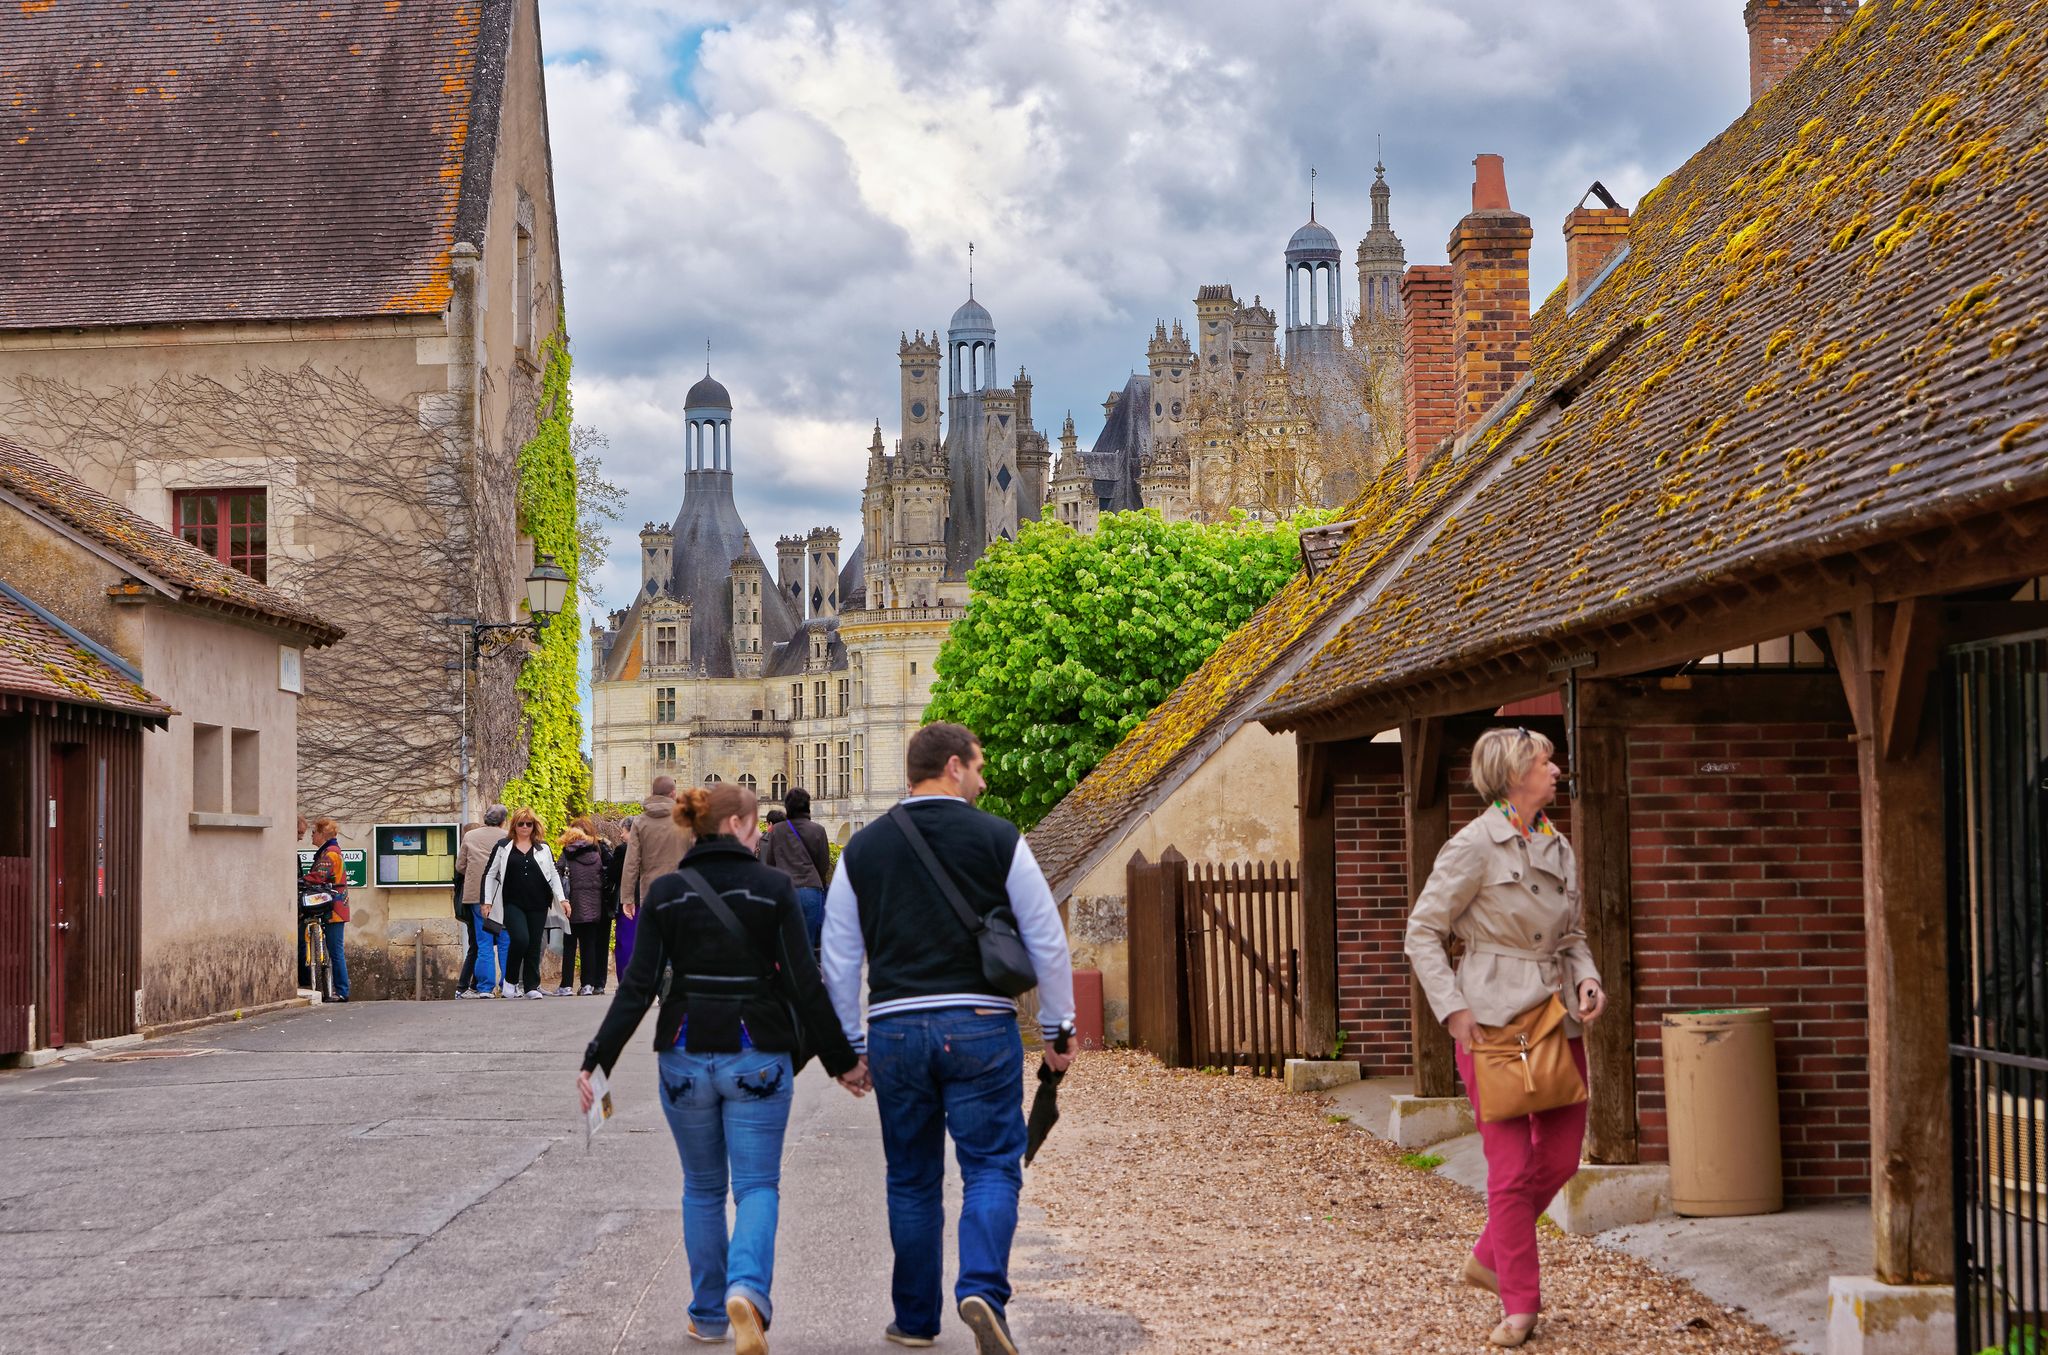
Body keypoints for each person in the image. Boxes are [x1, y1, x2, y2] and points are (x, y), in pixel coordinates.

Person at [578, 782, 859, 1355]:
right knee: (756, 1185)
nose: (762, 835)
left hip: (683, 1049)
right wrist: (843, 1062)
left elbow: (638, 986)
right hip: (756, 1048)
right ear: (735, 826)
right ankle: (748, 1292)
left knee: (702, 1189)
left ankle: (708, 1313)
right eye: (757, 826)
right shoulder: (773, 888)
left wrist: (597, 1062)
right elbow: (807, 984)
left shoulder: (668, 893)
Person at [822, 722, 1076, 1355]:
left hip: (897, 1026)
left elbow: (839, 956)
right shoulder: (998, 838)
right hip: (981, 1024)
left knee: (910, 1177)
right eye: (979, 766)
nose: (984, 779)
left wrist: (849, 1046)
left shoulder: (865, 848)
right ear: (954, 767)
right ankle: (983, 1291)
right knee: (991, 1165)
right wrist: (1058, 1028)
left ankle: (913, 1320)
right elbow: (1046, 938)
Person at [1405, 727, 1606, 1350]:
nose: (1555, 770)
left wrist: (1589, 980)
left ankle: (1491, 1253)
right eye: (1545, 761)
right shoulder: (1472, 846)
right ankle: (1521, 1303)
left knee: (1564, 1156)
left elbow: (1570, 937)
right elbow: (1422, 932)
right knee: (1511, 1169)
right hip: (1492, 1021)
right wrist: (1454, 1011)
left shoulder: (1558, 843)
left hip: (1555, 1018)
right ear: (1515, 774)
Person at [482, 807, 569, 999]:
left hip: (538, 902)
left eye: (528, 824)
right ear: (514, 825)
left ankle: (531, 986)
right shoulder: (503, 846)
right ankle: (511, 981)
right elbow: (489, 874)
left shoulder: (543, 848)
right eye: (520, 823)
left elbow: (554, 875)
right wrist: (486, 901)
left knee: (534, 944)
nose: (524, 827)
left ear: (534, 826)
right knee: (520, 939)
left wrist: (562, 899)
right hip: (512, 902)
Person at [757, 786, 832, 953]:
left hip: (786, 890)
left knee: (787, 946)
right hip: (811, 890)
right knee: (809, 945)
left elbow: (770, 863)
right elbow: (824, 863)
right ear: (807, 805)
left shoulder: (777, 830)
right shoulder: (818, 830)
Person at [619, 774, 692, 938]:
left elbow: (631, 863)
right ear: (673, 793)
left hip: (651, 893)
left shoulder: (639, 822)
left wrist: (627, 898)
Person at [458, 807, 511, 997]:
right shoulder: (508, 837)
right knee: (505, 940)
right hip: (501, 895)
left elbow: (460, 866)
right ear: (503, 821)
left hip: (476, 894)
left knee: (483, 942)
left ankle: (485, 988)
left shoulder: (470, 836)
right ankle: (507, 986)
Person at [299, 818, 352, 1003]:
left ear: (322, 835)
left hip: (335, 908)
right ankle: (339, 988)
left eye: (314, 832)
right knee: (334, 949)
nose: (312, 835)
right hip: (334, 906)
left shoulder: (330, 854)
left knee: (336, 950)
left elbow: (319, 876)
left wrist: (301, 880)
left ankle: (343, 991)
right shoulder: (330, 851)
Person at [557, 824, 610, 996]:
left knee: (570, 947)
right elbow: (602, 878)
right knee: (589, 947)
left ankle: (566, 986)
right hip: (593, 908)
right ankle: (587, 985)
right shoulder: (596, 854)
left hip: (572, 907)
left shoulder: (567, 854)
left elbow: (557, 875)